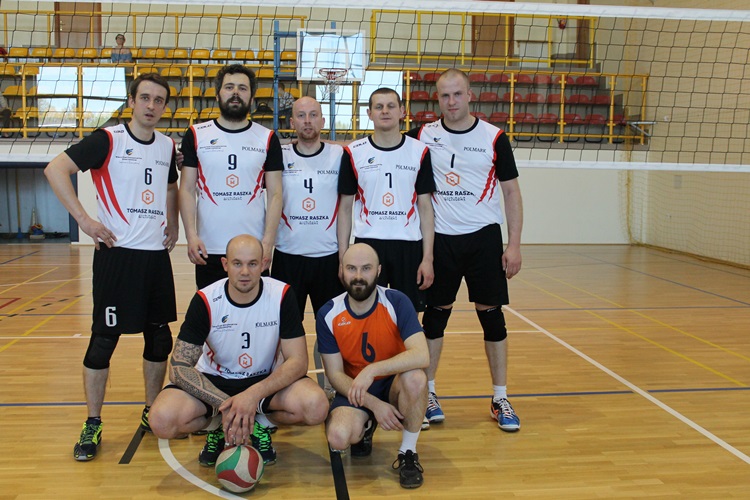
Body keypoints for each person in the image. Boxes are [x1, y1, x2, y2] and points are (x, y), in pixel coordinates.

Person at [44, 73, 179, 461]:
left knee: (159, 340)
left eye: (159, 100)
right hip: (117, 256)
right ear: (131, 101)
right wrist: (85, 221)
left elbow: (170, 186)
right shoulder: (108, 139)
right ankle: (92, 422)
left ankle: (152, 412)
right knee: (104, 341)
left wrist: (172, 222)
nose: (151, 105)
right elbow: (55, 169)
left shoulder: (167, 145)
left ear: (165, 107)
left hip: (155, 258)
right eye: (145, 98)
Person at [406, 68, 524, 432]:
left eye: (457, 94)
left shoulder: (494, 137)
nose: (451, 101)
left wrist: (514, 244)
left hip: (483, 237)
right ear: (437, 99)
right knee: (435, 317)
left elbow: (511, 192)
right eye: (445, 95)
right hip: (440, 238)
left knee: (492, 316)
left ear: (470, 95)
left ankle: (500, 397)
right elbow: (384, 143)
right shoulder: (423, 135)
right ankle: (428, 393)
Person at [148, 234, 329, 466]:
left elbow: (298, 361)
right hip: (214, 382)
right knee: (161, 420)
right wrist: (228, 405)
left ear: (264, 264)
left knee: (316, 407)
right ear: (225, 264)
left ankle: (259, 424)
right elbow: (178, 367)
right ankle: (217, 427)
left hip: (265, 380)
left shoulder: (282, 295)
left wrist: (251, 397)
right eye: (237, 263)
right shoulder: (206, 299)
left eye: (252, 264)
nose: (245, 272)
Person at [317, 243, 429, 489]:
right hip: (355, 389)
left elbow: (422, 355)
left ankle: (408, 451)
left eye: (366, 268)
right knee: (338, 438)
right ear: (342, 271)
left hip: (392, 385)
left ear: (378, 271)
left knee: (416, 378)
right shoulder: (328, 313)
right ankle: (367, 425)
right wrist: (374, 404)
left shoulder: (397, 301)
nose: (358, 276)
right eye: (351, 268)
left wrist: (373, 370)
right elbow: (335, 375)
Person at [179, 64, 283, 288]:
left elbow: (276, 194)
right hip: (209, 247)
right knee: (211, 309)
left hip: (253, 249)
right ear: (218, 94)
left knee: (255, 308)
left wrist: (268, 241)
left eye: (242, 88)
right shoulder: (196, 135)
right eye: (229, 87)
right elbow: (186, 189)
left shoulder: (267, 138)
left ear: (252, 98)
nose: (235, 93)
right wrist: (191, 235)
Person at [337, 87, 436, 314]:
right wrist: (344, 257)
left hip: (409, 245)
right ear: (369, 113)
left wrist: (428, 258)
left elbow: (425, 208)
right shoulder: (353, 152)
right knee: (368, 313)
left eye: (391, 106)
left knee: (408, 315)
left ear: (402, 111)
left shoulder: (420, 151)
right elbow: (345, 209)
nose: (385, 111)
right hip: (368, 243)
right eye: (379, 107)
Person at [271, 96, 344, 318]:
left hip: (328, 257)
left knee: (332, 326)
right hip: (287, 256)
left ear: (323, 121)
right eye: (301, 116)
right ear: (292, 122)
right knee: (286, 327)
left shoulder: (340, 155)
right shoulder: (278, 155)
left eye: (313, 115)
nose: (308, 121)